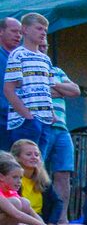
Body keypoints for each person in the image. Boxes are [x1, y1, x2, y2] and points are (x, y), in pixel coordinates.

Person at [4, 13, 57, 154]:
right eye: (39, 28)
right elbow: (9, 89)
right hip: (26, 120)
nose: (43, 33)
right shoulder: (17, 55)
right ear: (25, 30)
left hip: (45, 119)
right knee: (23, 161)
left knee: (39, 164)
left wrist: (51, 113)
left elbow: (48, 90)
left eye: (45, 30)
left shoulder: (45, 59)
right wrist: (27, 115)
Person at [41, 41, 81, 218]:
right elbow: (34, 91)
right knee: (35, 171)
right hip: (41, 125)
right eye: (40, 46)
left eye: (46, 46)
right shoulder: (26, 67)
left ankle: (61, 218)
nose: (44, 48)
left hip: (62, 129)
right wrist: (59, 89)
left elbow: (75, 90)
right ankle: (36, 215)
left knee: (63, 173)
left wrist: (52, 86)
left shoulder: (58, 71)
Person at [0, 151, 59, 225]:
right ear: (1, 176)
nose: (19, 181)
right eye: (15, 177)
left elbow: (32, 213)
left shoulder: (11, 191)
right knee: (16, 203)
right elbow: (16, 214)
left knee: (24, 202)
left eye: (20, 178)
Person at [10, 139, 60, 225]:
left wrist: (52, 223)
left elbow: (57, 203)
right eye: (28, 154)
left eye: (37, 155)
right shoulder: (10, 179)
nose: (34, 157)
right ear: (16, 157)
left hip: (43, 221)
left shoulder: (44, 180)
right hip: (21, 223)